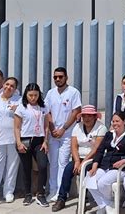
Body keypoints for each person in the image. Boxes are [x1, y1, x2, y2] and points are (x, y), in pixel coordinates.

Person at [52, 104, 107, 212]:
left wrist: (84, 162)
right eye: (85, 116)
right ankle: (61, 198)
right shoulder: (77, 127)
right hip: (79, 157)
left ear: (95, 116)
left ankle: (83, 200)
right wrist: (77, 161)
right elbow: (74, 145)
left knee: (86, 171)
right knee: (68, 170)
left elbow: (96, 148)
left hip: (93, 159)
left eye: (90, 116)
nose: (87, 118)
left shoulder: (101, 128)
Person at [86, 112, 125, 214]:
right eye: (113, 121)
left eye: (117, 121)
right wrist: (94, 166)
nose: (115, 124)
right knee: (89, 180)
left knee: (102, 183)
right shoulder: (109, 135)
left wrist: (123, 160)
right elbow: (100, 150)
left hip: (120, 168)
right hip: (105, 165)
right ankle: (107, 204)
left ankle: (104, 206)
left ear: (124, 122)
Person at [45, 67, 82, 202]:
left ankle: (61, 192)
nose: (58, 79)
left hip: (67, 134)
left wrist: (63, 129)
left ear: (66, 77)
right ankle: (52, 190)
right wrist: (53, 128)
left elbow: (76, 111)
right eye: (55, 77)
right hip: (53, 134)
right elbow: (47, 112)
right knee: (53, 163)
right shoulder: (50, 93)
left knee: (63, 163)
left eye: (60, 77)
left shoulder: (73, 92)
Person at [14, 83, 50, 207]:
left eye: (35, 95)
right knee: (26, 168)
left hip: (39, 141)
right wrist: (18, 143)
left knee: (43, 165)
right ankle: (28, 194)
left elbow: (46, 126)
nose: (33, 98)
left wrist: (45, 141)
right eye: (30, 95)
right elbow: (17, 127)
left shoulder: (44, 107)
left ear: (39, 94)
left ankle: (41, 194)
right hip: (24, 140)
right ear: (26, 95)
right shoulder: (21, 107)